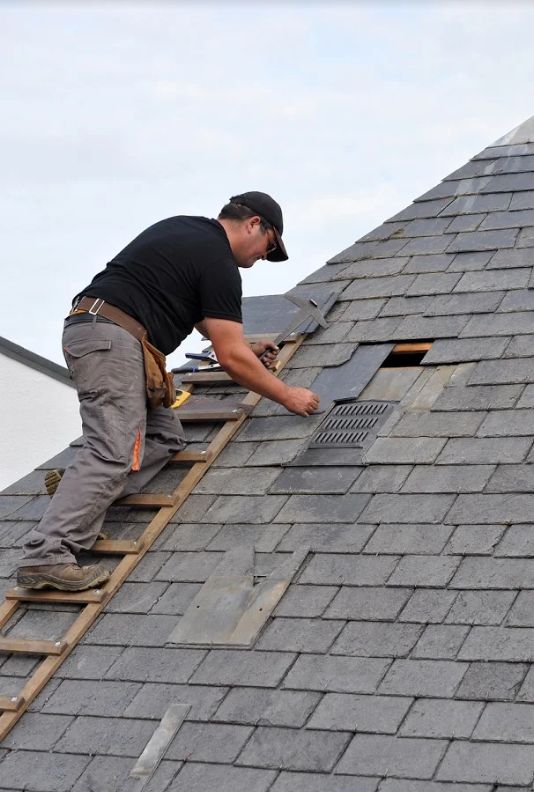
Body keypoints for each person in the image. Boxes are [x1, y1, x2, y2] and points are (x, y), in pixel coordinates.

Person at [17, 192, 320, 591]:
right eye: (270, 245)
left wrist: (247, 344)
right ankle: (47, 554)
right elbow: (229, 357)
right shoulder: (220, 263)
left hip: (103, 332)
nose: (266, 255)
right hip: (114, 340)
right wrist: (287, 395)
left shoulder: (186, 231)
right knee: (114, 450)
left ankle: (75, 492)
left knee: (164, 437)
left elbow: (207, 323)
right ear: (253, 224)